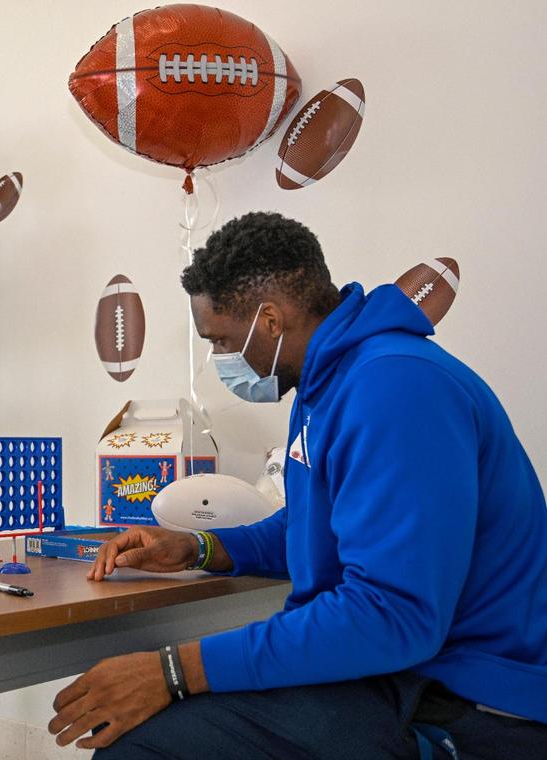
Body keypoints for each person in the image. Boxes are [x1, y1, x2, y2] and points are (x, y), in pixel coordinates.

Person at [48, 212, 547, 759]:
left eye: (221, 341)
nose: (220, 360)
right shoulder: (330, 383)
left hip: (464, 699)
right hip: (399, 675)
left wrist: (173, 669)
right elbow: (317, 523)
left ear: (269, 320)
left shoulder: (396, 387)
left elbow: (392, 616)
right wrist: (201, 547)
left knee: (145, 748)